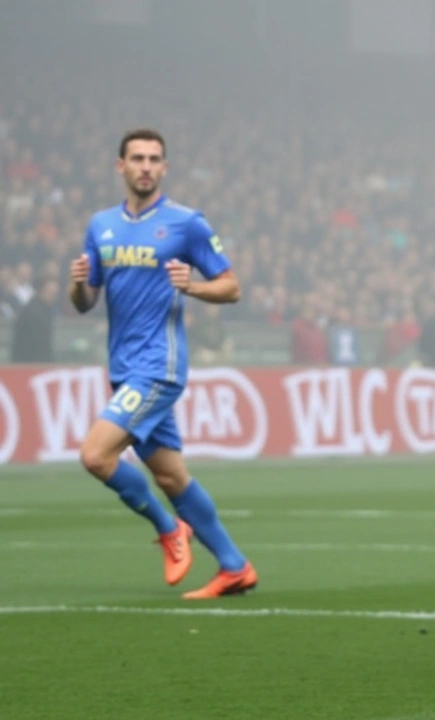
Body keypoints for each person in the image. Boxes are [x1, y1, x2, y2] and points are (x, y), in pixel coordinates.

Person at [69, 128, 256, 600]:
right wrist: (76, 284)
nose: (146, 166)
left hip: (159, 366)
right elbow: (85, 302)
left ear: (164, 168)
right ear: (121, 166)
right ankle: (234, 566)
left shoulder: (186, 223)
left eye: (155, 159)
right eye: (137, 158)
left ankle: (171, 528)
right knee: (171, 475)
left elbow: (231, 287)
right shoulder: (101, 225)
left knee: (95, 455)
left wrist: (190, 285)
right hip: (123, 368)